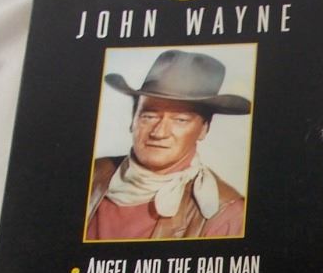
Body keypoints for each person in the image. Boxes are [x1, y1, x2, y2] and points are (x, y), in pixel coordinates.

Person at [85, 50, 249, 241]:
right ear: (133, 119)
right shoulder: (92, 173)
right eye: (149, 116)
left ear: (204, 129)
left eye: (180, 120)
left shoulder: (226, 214)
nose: (159, 133)